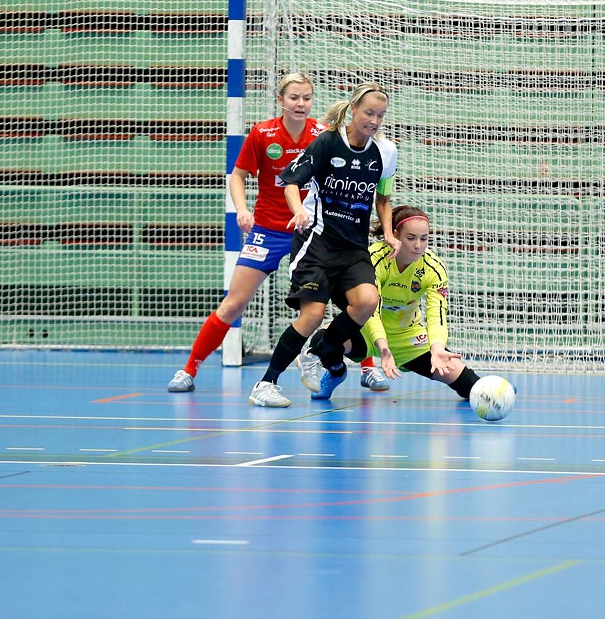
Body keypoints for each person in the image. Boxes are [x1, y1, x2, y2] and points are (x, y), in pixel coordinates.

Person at [168, 72, 321, 392]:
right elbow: (237, 176)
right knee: (233, 303)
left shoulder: (322, 135)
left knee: (344, 299)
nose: (301, 103)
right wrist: (241, 209)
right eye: (294, 97)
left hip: (309, 232)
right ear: (281, 100)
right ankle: (189, 369)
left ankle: (365, 367)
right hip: (267, 230)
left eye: (306, 97)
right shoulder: (263, 134)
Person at [248, 82, 397, 408]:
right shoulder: (328, 142)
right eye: (369, 113)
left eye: (380, 115)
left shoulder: (385, 152)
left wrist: (387, 232)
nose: (374, 120)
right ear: (354, 110)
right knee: (313, 313)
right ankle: (266, 384)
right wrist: (298, 209)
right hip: (317, 241)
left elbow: (383, 198)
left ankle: (316, 352)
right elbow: (290, 181)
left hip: (353, 247)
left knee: (367, 301)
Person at [298, 206, 488, 403]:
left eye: (424, 238)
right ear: (395, 235)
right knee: (323, 340)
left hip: (408, 337)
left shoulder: (434, 269)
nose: (418, 245)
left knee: (472, 388)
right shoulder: (374, 258)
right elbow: (371, 310)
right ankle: (336, 372)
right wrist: (383, 346)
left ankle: (495, 387)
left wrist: (437, 347)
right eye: (411, 237)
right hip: (365, 331)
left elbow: (436, 313)